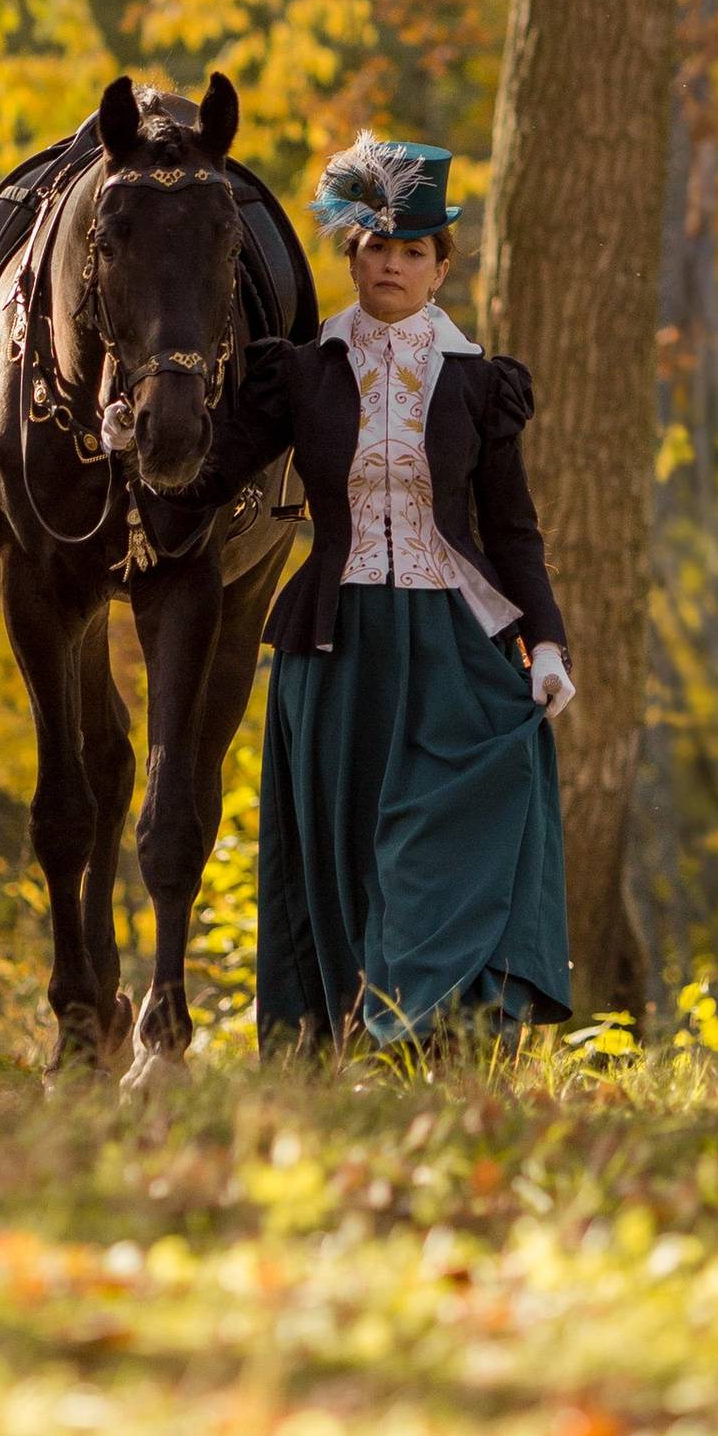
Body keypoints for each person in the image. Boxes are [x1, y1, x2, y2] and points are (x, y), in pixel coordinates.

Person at [179, 132, 573, 1049]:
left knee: (448, 831)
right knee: (349, 849)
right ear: (352, 255)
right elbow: (206, 478)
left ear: (440, 270)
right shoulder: (300, 371)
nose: (393, 264)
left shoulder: (479, 385)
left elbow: (513, 531)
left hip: (454, 645)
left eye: (414, 252)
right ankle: (355, 1040)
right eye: (378, 247)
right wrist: (138, 443)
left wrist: (547, 644)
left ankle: (433, 1029)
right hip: (336, 646)